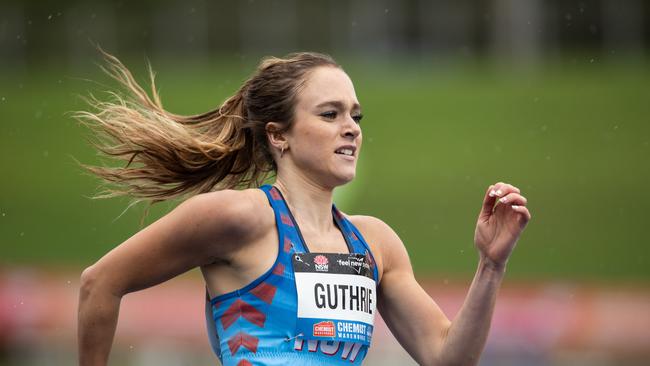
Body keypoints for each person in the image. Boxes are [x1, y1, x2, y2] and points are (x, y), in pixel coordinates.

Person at [76, 51, 531, 366]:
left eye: (356, 115)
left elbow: (446, 356)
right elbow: (99, 283)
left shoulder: (375, 243)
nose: (351, 128)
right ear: (279, 135)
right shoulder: (239, 218)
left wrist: (491, 265)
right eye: (330, 115)